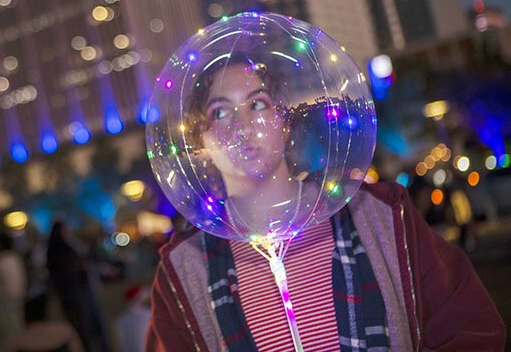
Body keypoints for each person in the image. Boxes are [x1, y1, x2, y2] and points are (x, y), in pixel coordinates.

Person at [147, 57, 505, 350]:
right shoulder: (182, 270)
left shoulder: (378, 215)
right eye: (220, 113)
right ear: (202, 141)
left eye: (257, 103)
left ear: (283, 122)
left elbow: (471, 329)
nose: (243, 125)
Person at [46, 221, 109, 352]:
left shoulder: (63, 248)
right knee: (86, 327)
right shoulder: (62, 250)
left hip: (74, 294)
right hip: (76, 294)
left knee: (87, 328)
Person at [0, 232, 26, 347]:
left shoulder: (2, 261)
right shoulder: (15, 258)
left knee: (11, 328)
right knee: (18, 324)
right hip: (20, 296)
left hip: (8, 299)